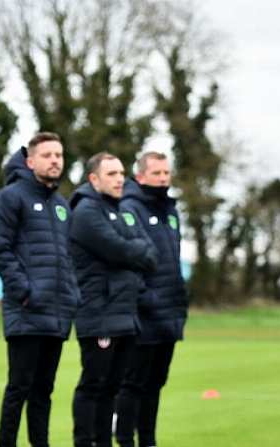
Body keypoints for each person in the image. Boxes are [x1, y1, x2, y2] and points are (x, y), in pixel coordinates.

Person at [0, 132, 80, 447]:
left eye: (59, 154)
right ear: (30, 161)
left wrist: (71, 295)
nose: (55, 160)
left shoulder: (61, 205)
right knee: (19, 388)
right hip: (27, 310)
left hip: (57, 312)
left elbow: (68, 256)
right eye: (47, 155)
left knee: (44, 392)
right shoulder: (11, 197)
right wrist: (25, 291)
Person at [68, 152, 158, 447]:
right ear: (93, 179)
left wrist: (133, 252)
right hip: (98, 314)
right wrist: (133, 252)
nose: (120, 179)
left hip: (125, 314)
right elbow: (118, 249)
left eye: (121, 173)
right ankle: (84, 442)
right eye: (112, 174)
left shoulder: (125, 211)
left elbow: (150, 251)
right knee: (93, 385)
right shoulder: (85, 212)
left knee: (113, 388)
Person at [115, 152, 188, 447]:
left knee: (156, 384)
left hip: (170, 311)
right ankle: (124, 439)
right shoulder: (129, 208)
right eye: (156, 173)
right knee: (134, 383)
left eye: (166, 173)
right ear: (141, 176)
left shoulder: (171, 212)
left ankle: (148, 440)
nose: (162, 179)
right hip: (143, 313)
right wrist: (146, 297)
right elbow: (130, 260)